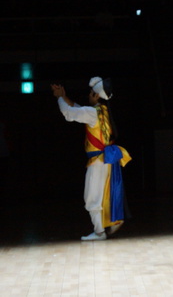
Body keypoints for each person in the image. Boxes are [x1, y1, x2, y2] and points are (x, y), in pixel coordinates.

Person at [51, 78, 132, 241]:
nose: (89, 95)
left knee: (92, 197)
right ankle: (109, 223)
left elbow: (69, 113)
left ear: (95, 96)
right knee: (104, 194)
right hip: (106, 160)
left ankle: (100, 231)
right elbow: (78, 108)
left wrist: (59, 98)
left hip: (98, 161)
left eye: (91, 93)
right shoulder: (102, 111)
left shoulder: (92, 113)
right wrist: (64, 96)